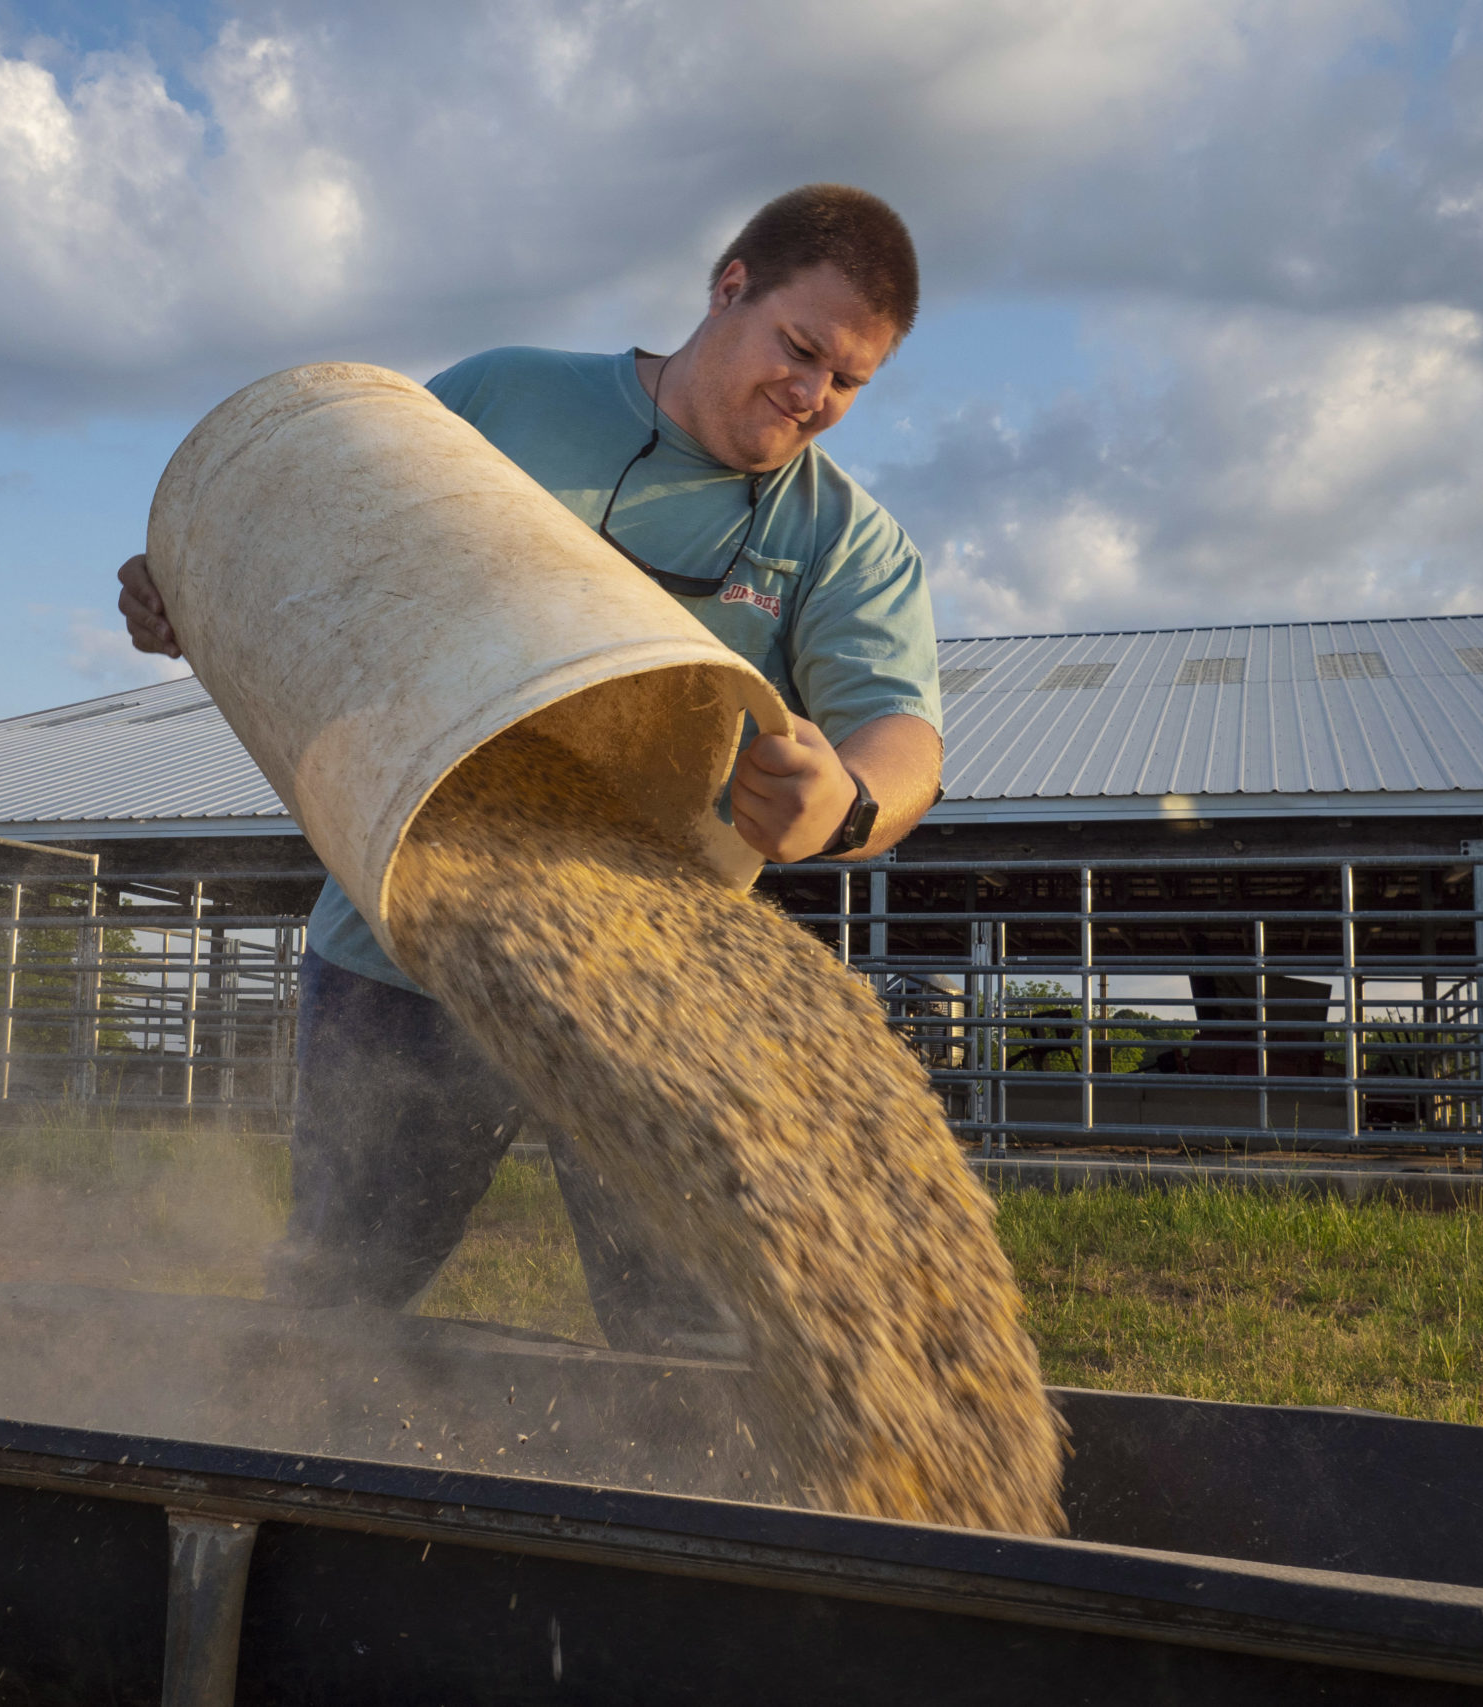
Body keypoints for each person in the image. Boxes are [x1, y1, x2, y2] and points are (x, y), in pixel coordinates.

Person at [116, 184, 944, 1356]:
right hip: (404, 938)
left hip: (652, 982)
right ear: (729, 290)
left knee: (688, 1332)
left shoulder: (840, 538)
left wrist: (846, 799)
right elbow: (328, 534)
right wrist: (189, 588)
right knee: (336, 1293)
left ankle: (666, 1526)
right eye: (800, 348)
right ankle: (262, 1516)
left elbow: (903, 737)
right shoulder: (505, 399)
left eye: (849, 382)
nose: (814, 396)